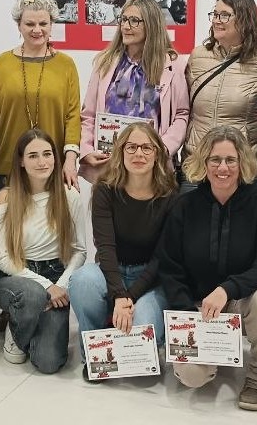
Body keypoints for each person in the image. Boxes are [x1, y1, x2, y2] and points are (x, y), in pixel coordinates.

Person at [157, 125, 257, 411]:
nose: (222, 168)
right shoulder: (184, 206)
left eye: (230, 160)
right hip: (197, 307)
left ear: (243, 163)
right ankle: (212, 358)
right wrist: (187, 314)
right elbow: (170, 266)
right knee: (192, 377)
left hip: (241, 301)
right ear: (204, 162)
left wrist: (227, 289)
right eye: (215, 159)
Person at [71, 122, 177, 375]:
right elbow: (105, 247)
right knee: (82, 281)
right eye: (131, 147)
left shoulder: (170, 195)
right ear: (120, 151)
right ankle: (95, 357)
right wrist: (120, 293)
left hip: (150, 280)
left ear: (157, 154)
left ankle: (131, 339)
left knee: (143, 329)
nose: (139, 153)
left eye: (146, 148)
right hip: (112, 271)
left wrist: (130, 296)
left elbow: (163, 256)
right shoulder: (105, 189)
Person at [0, 0, 82, 199]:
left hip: (48, 166)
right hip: (5, 165)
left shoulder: (66, 65)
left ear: (52, 25)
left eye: (43, 23)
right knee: (3, 220)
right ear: (19, 25)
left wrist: (70, 160)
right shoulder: (2, 63)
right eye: (30, 24)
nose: (37, 30)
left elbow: (73, 116)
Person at [0, 129, 86, 373]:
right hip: (15, 275)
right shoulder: (6, 197)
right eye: (33, 156)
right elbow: (1, 257)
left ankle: (31, 324)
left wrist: (60, 286)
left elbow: (79, 251)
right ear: (21, 161)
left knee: (48, 362)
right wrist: (46, 287)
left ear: (55, 157)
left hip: (56, 273)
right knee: (33, 295)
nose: (42, 162)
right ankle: (17, 326)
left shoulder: (69, 196)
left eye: (47, 154)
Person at [78, 0, 188, 185]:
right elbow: (88, 114)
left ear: (151, 25)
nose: (126, 26)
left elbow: (181, 114)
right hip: (110, 166)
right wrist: (86, 149)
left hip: (152, 168)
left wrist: (163, 148)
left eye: (134, 20)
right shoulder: (105, 62)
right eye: (123, 19)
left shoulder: (173, 64)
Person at [184, 0, 257, 179]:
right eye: (215, 14)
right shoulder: (198, 56)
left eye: (224, 15)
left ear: (244, 19)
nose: (217, 20)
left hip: (241, 166)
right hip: (197, 162)